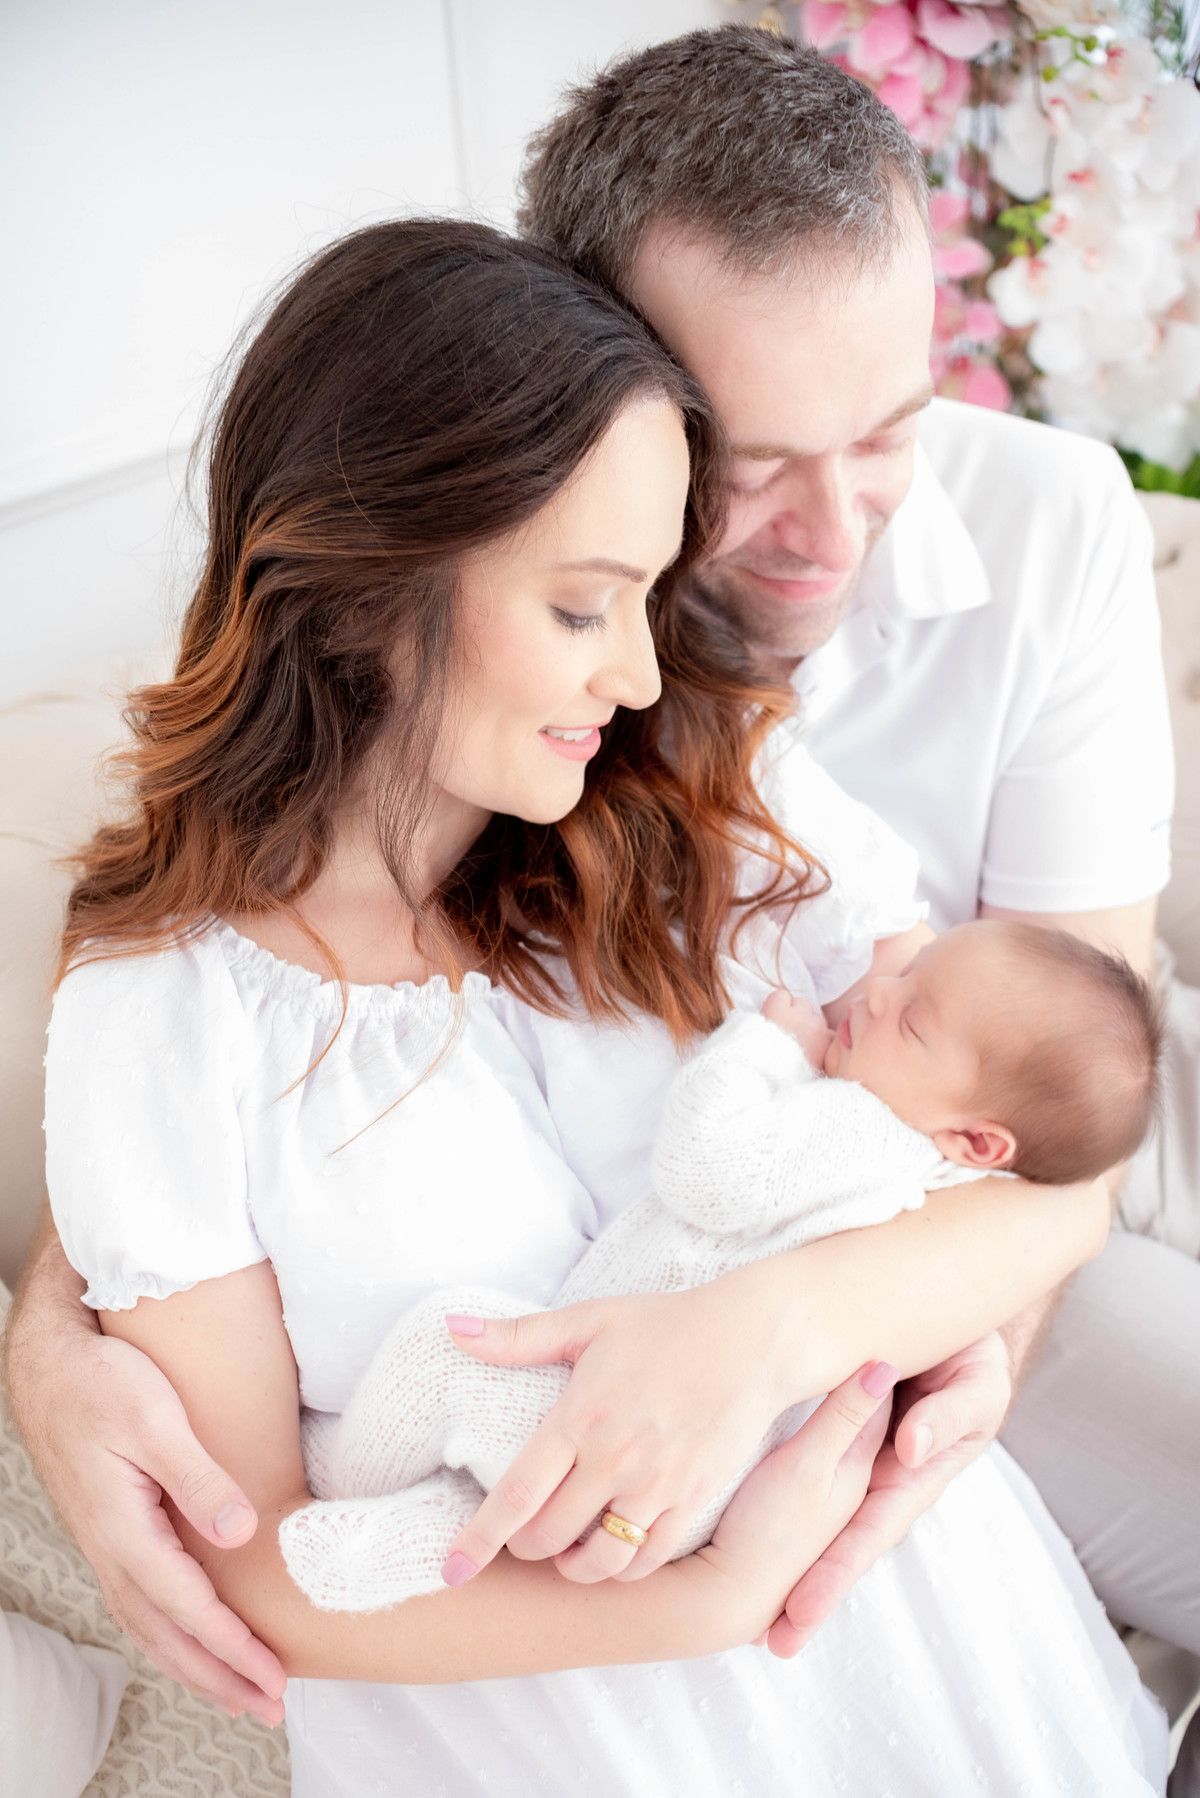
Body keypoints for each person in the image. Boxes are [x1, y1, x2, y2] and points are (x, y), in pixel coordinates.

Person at [0, 16, 1165, 1745]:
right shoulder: (184, 1003)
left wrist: (789, 1337)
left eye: (890, 440)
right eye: (748, 474)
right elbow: (258, 1539)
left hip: (907, 1547)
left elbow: (1045, 1096)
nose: (838, 534)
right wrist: (56, 1325)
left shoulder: (716, 780)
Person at [277, 918, 1162, 1619]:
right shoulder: (931, 1177)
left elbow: (708, 1173)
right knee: (501, 1478)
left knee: (449, 1347)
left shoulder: (862, 1132)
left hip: (649, 1429)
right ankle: (410, 1540)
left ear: (976, 1140)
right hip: (692, 1463)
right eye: (908, 975)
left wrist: (765, 1047)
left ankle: (333, 1473)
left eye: (913, 1019)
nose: (878, 994)